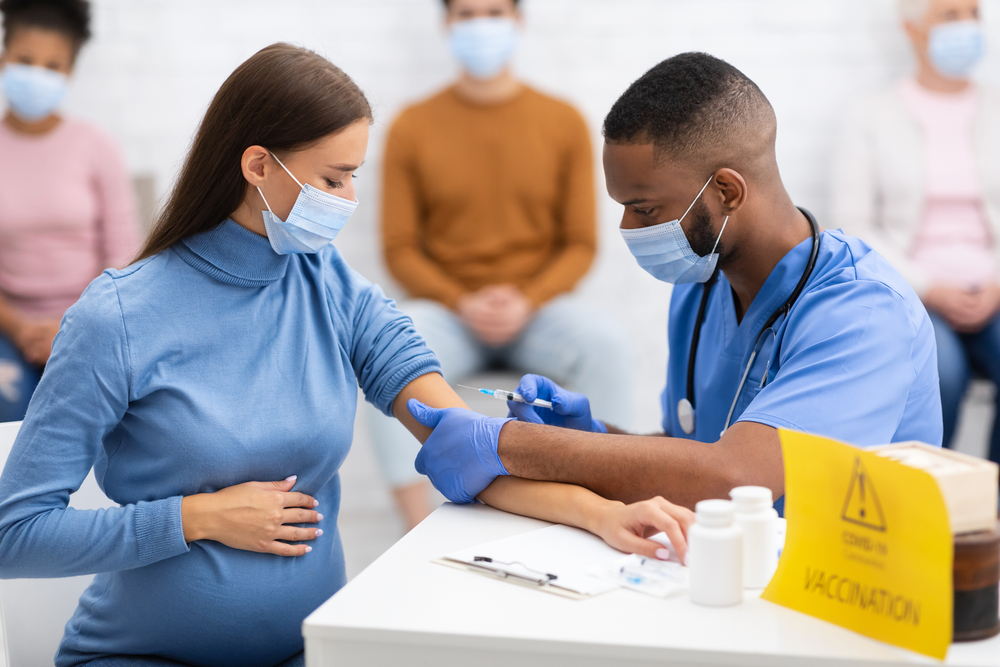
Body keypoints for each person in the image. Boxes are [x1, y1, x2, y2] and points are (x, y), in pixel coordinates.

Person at [0, 43, 696, 667]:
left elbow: (461, 441)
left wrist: (600, 512)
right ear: (257, 166)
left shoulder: (330, 286)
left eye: (354, 176)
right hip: (141, 655)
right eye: (333, 179)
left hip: (308, 650)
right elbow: (17, 533)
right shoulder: (118, 316)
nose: (349, 200)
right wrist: (195, 517)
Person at [406, 52, 943, 512]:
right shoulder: (702, 284)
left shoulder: (864, 313)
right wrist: (590, 438)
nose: (627, 229)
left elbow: (735, 476)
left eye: (644, 208)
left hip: (847, 602)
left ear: (728, 191)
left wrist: (513, 444)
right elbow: (690, 449)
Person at [369, 0, 633, 529]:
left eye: (494, 11)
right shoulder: (411, 126)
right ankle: (417, 527)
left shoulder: (562, 121)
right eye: (467, 13)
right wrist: (462, 300)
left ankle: (609, 501)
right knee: (384, 346)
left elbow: (581, 243)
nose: (481, 24)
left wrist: (526, 300)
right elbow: (400, 248)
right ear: (446, 23)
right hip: (450, 311)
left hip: (538, 310)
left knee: (607, 343)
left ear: (518, 19)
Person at [832, 0, 1000, 464]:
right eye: (950, 15)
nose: (966, 25)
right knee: (940, 372)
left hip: (992, 291)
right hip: (912, 295)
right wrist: (930, 288)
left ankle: (991, 514)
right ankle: (928, 510)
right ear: (911, 28)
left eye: (973, 14)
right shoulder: (868, 115)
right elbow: (853, 228)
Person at [0, 0, 137, 420]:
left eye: (52, 65)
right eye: (25, 60)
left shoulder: (96, 146)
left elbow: (124, 257)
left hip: (91, 320)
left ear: (70, 72)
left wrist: (70, 325)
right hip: (8, 326)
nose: (37, 74)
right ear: (4, 57)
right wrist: (22, 328)